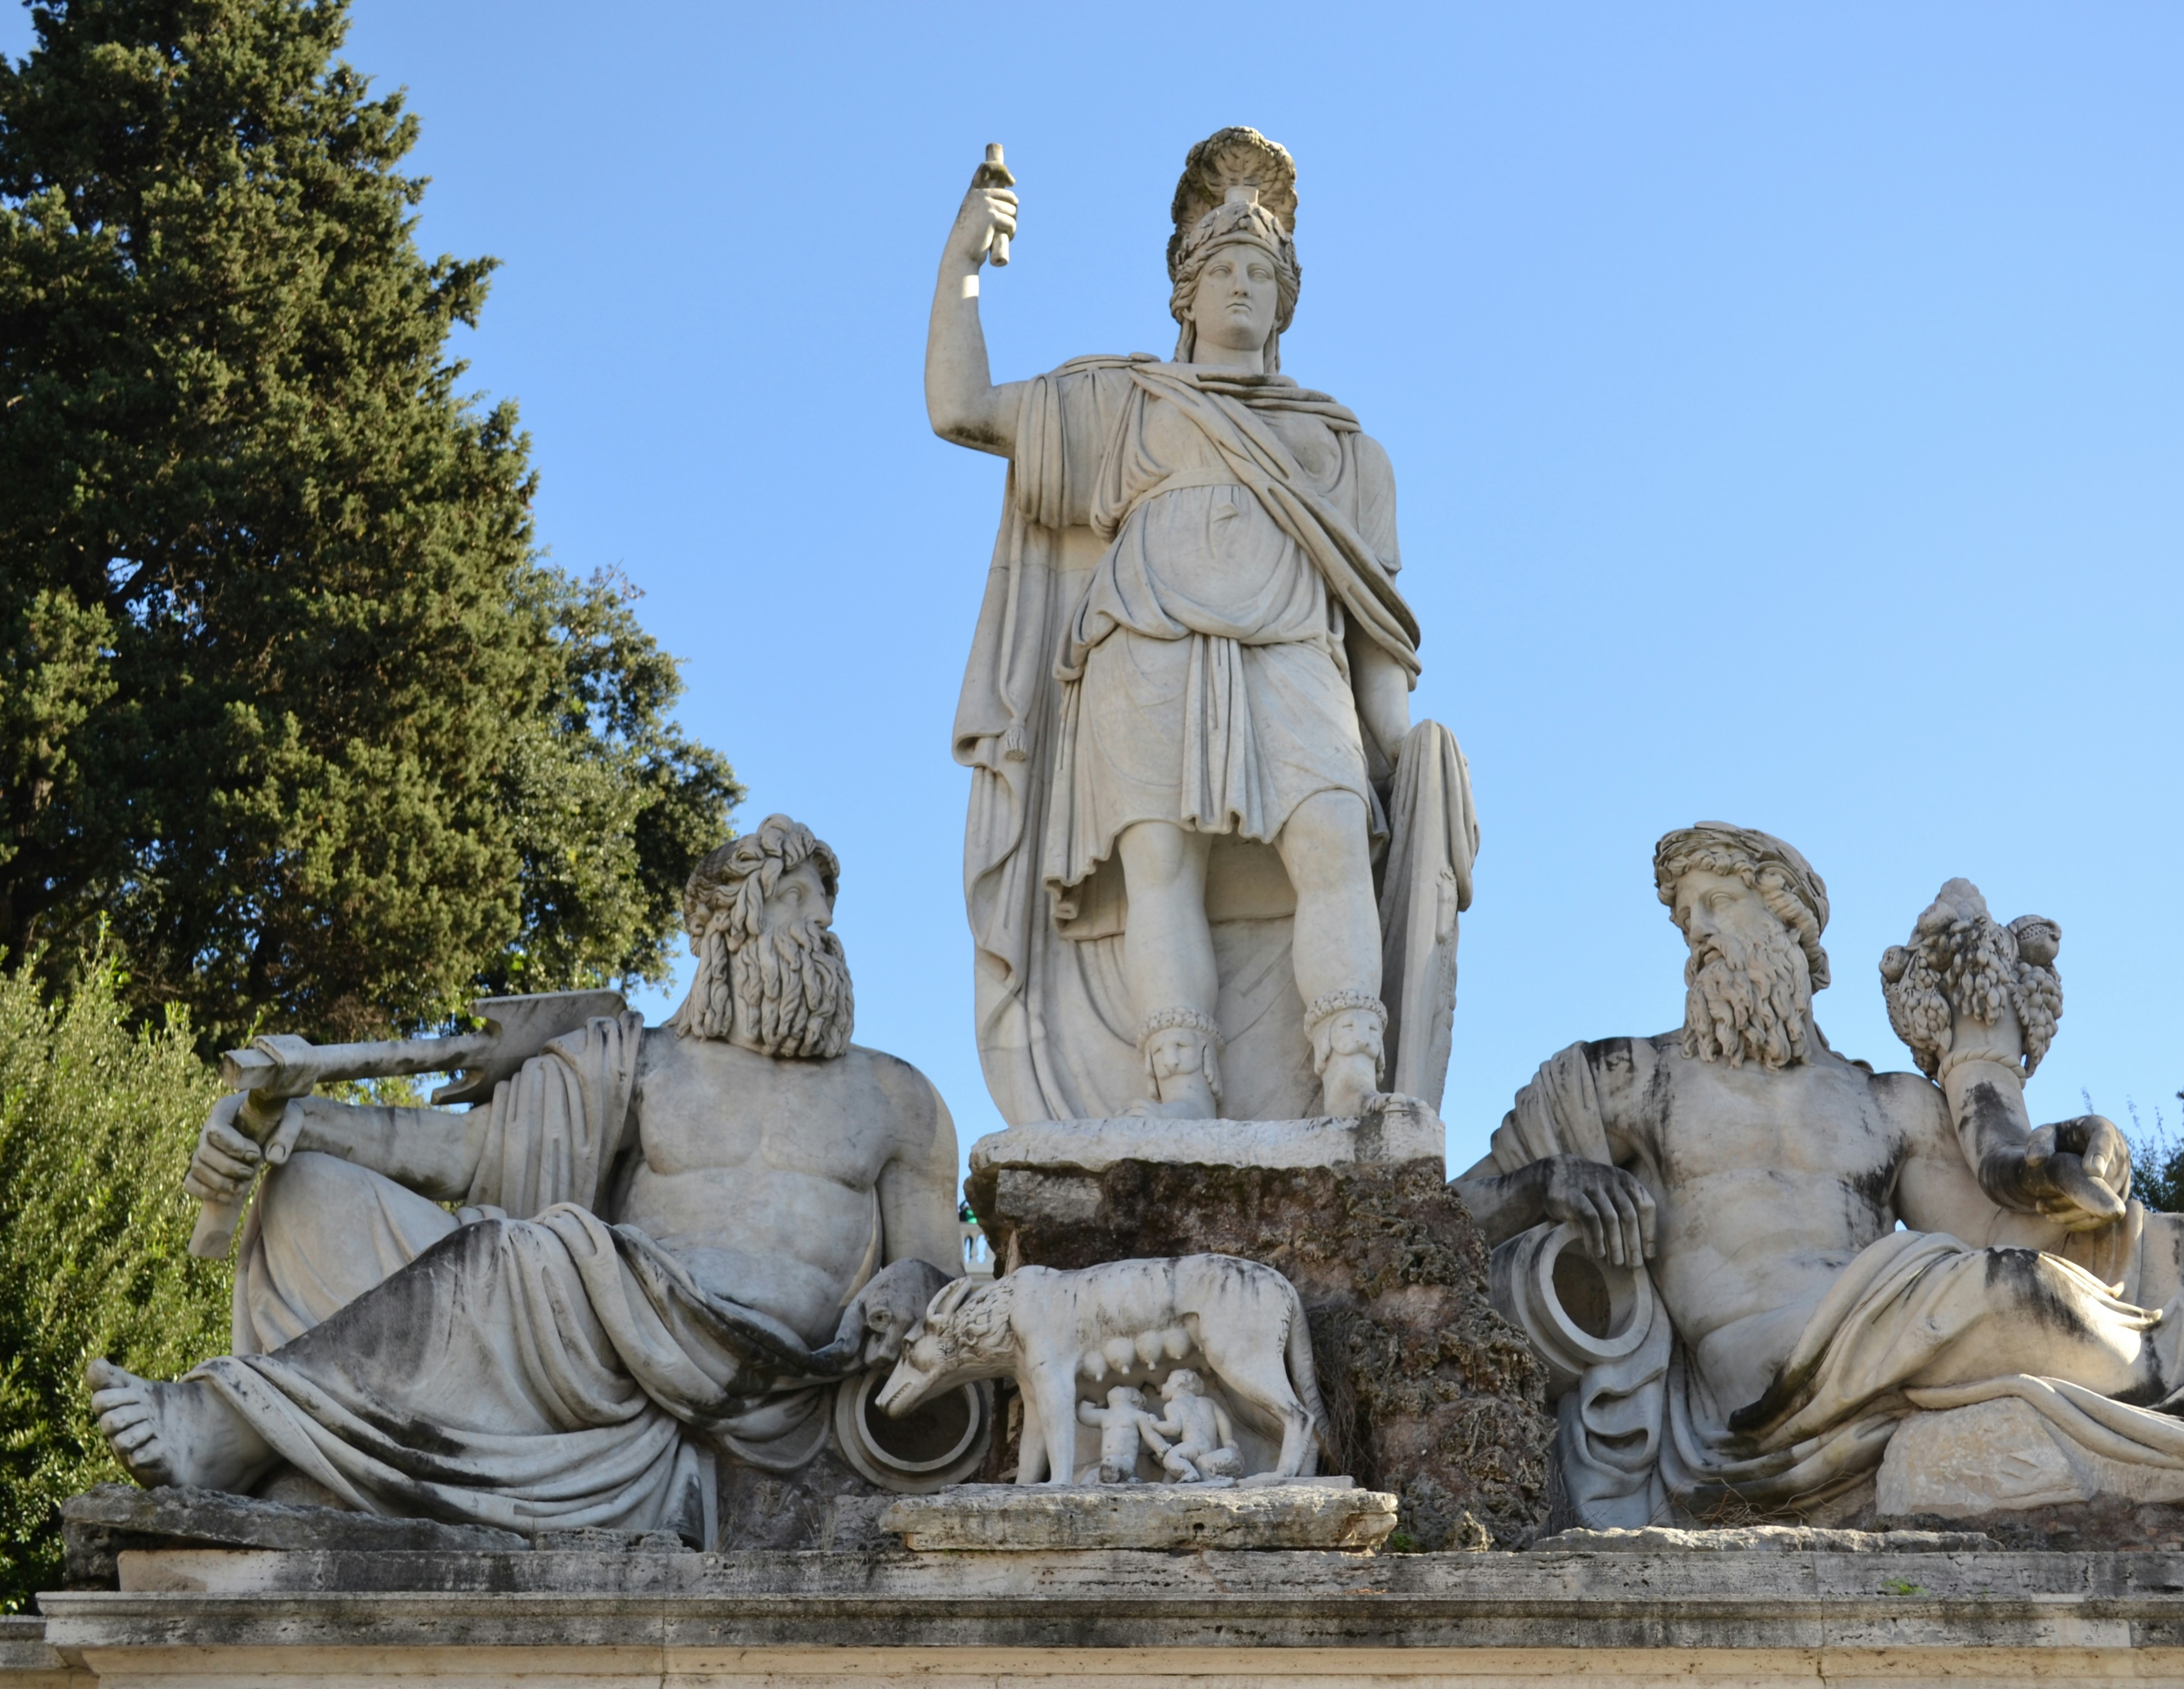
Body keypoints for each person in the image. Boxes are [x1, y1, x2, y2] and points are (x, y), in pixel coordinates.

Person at [1451, 821, 2184, 1526]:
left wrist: (2075, 1157)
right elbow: (1446, 1221)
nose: (1695, 940)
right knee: (2014, 1303)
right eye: (1685, 920)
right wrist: (1550, 1190)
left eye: (1716, 911)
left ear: (1792, 932)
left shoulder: (1884, 1103)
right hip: (1763, 1388)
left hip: (1898, 1319)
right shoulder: (1622, 1080)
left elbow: (2005, 1217)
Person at [88, 816, 961, 1544]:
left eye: (825, 902)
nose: (819, 925)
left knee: (522, 1256)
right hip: (616, 1345)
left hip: (792, 1381)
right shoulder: (639, 1065)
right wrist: (303, 1124)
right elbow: (472, 1156)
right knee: (316, 1190)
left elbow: (944, 1285)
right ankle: (289, 1438)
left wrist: (910, 1285)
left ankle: (223, 1426)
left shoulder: (899, 1096)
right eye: (790, 900)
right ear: (723, 934)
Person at [932, 128, 1475, 1124]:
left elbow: (1374, 638)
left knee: (1332, 839)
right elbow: (961, 409)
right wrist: (962, 264)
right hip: (1141, 647)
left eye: (1260, 270)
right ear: (1185, 290)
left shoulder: (1347, 449)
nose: (1241, 286)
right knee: (1158, 864)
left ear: (1287, 296)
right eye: (1222, 267)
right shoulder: (1123, 404)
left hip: (1292, 647)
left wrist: (1407, 751)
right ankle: (1181, 1090)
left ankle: (1352, 1075)